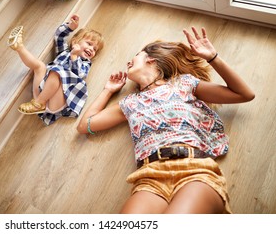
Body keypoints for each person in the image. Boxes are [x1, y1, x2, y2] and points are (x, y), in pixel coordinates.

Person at [77, 27, 255, 213]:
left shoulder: (184, 84)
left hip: (195, 171)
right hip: (150, 178)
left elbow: (244, 94)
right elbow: (84, 126)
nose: (128, 61)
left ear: (151, 59)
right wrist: (108, 90)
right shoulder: (129, 103)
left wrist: (212, 57)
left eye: (135, 56)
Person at [8, 14, 104, 125]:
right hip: (42, 91)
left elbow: (80, 75)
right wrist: (70, 27)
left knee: (57, 72)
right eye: (89, 44)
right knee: (40, 66)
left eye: (95, 49)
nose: (91, 49)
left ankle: (39, 103)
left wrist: (74, 57)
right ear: (75, 42)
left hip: (57, 101)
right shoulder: (64, 51)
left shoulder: (85, 63)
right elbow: (59, 36)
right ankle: (19, 47)